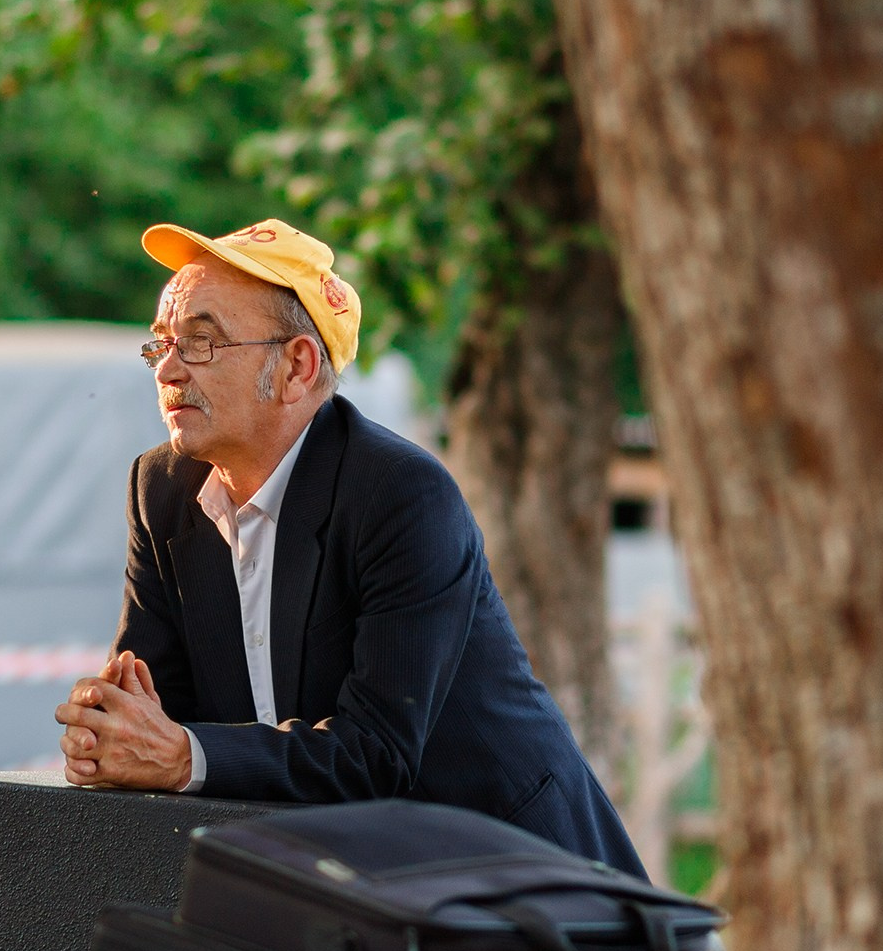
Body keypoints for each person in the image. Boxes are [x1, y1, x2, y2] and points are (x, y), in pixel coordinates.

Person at [55, 217, 647, 874]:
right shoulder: (161, 489)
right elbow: (154, 707)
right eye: (162, 342)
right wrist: (111, 728)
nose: (167, 368)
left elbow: (376, 757)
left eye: (201, 342)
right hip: (334, 877)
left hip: (514, 875)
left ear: (297, 367)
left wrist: (180, 756)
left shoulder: (401, 494)